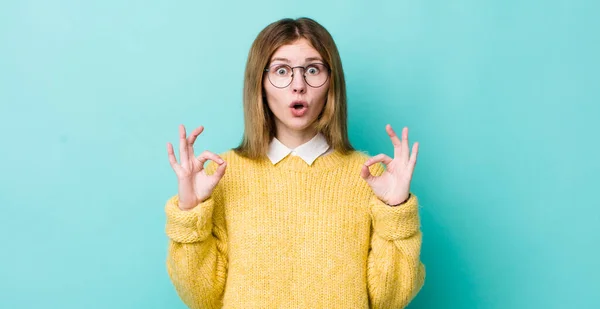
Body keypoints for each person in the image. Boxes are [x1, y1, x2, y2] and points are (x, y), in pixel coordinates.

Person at [164, 17, 425, 309]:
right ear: (260, 84)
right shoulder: (221, 175)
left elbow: (388, 299)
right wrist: (189, 210)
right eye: (282, 70)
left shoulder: (371, 177)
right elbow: (202, 297)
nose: (298, 85)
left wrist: (396, 210)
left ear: (331, 83)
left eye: (313, 69)